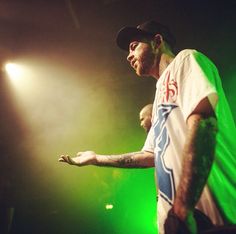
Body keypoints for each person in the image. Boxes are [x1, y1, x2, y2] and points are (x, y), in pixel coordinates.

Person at [59, 20, 236, 234]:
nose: (128, 55)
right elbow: (148, 155)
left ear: (157, 41)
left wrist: (182, 209)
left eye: (133, 46)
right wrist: (97, 158)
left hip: (214, 219)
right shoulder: (159, 95)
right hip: (181, 223)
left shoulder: (186, 60)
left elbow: (204, 124)